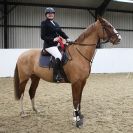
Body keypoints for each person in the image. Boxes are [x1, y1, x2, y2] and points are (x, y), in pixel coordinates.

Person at [41, 7, 71, 82]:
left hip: (56, 45)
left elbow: (60, 32)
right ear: (46, 15)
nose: (50, 15)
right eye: (49, 13)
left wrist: (67, 38)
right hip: (49, 46)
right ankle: (56, 75)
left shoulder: (55, 23)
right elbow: (43, 36)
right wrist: (53, 39)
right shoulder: (44, 23)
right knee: (58, 56)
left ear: (54, 14)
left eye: (52, 13)